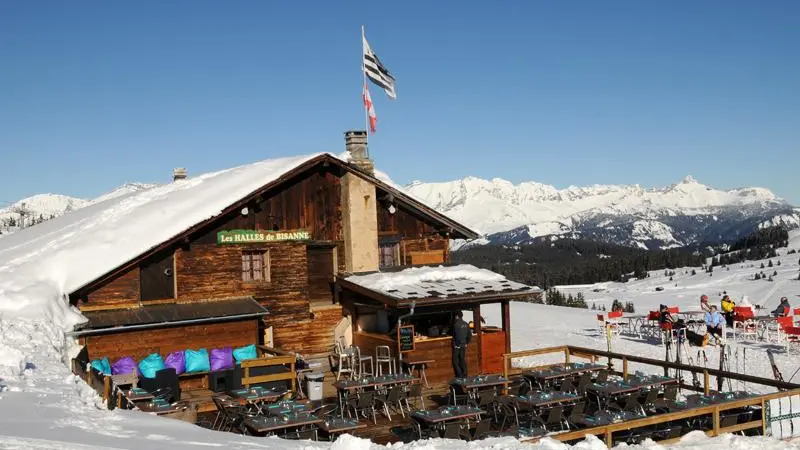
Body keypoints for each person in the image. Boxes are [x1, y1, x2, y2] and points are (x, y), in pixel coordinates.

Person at [451, 311, 472, 378]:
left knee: (455, 361)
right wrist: (466, 342)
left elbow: (455, 335)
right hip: (463, 345)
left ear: (457, 316)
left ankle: (459, 375)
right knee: (462, 359)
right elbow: (470, 335)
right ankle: (465, 374)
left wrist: (457, 344)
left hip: (457, 346)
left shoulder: (456, 325)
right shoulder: (466, 324)